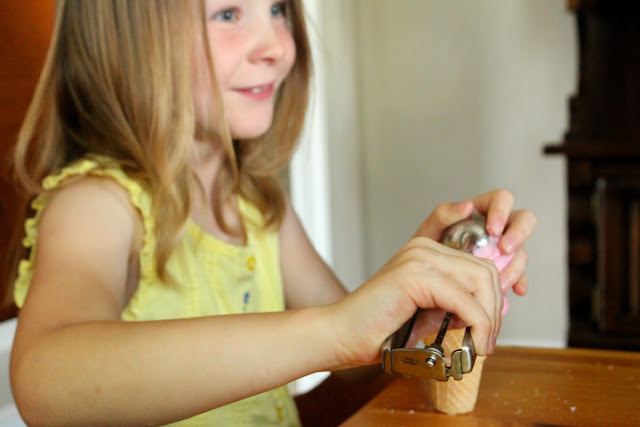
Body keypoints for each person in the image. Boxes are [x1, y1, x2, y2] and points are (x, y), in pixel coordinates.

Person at [8, 0, 537, 425]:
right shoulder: (98, 204)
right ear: (124, 38)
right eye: (228, 13)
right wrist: (334, 328)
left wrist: (416, 302)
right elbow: (46, 381)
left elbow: (357, 360)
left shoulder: (260, 210)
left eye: (278, 9)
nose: (278, 48)